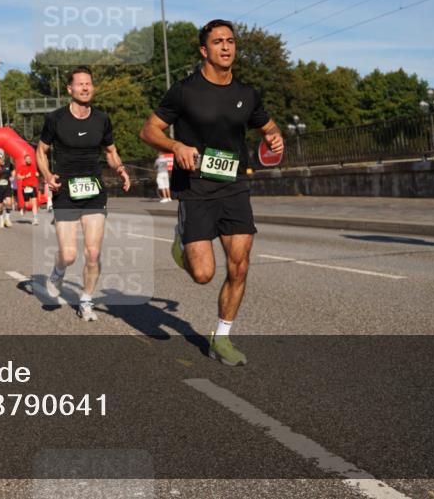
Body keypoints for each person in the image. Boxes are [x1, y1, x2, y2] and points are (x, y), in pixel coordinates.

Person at [140, 19, 284, 366]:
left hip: (234, 187)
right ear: (204, 50)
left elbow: (268, 126)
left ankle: (221, 336)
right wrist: (176, 145)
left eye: (230, 41)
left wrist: (274, 137)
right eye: (218, 41)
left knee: (240, 266)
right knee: (203, 274)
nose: (225, 46)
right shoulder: (184, 91)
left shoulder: (247, 95)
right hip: (196, 189)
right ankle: (182, 241)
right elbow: (148, 130)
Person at [37, 65, 132, 322]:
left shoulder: (101, 118)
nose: (85, 87)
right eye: (80, 84)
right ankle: (58, 270)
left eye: (89, 83)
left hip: (93, 191)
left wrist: (121, 169)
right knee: (69, 254)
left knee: (92, 253)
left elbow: (110, 151)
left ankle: (86, 299)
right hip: (65, 191)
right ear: (70, 89)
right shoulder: (55, 118)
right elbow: (41, 151)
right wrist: (47, 175)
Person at [15, 154, 40, 225]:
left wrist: (37, 174)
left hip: (33, 187)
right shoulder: (21, 167)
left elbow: (35, 173)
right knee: (26, 204)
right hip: (25, 188)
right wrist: (26, 176)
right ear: (25, 160)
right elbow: (18, 177)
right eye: (27, 159)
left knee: (34, 203)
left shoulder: (33, 166)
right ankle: (24, 209)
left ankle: (35, 219)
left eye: (30, 158)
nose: (29, 160)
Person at [0, 150, 14, 228]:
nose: (0, 159)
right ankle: (1, 220)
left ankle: (7, 219)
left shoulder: (8, 164)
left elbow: (13, 171)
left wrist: (13, 176)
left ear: (3, 157)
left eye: (1, 157)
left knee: (9, 203)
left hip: (7, 186)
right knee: (0, 205)